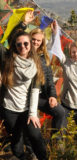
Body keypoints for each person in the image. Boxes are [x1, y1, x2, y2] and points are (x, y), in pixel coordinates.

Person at [0, 31, 47, 159]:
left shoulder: (36, 64)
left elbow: (35, 91)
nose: (22, 46)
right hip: (9, 108)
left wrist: (32, 113)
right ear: (15, 45)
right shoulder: (8, 60)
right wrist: (22, 25)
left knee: (35, 136)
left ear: (31, 44)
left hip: (27, 109)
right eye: (19, 44)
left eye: (26, 43)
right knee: (16, 139)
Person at [30, 28, 65, 134]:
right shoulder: (24, 54)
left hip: (41, 96)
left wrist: (53, 96)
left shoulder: (44, 57)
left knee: (60, 112)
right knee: (32, 125)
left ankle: (55, 141)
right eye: (33, 39)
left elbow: (49, 79)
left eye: (38, 40)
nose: (35, 42)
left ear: (42, 42)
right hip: (26, 96)